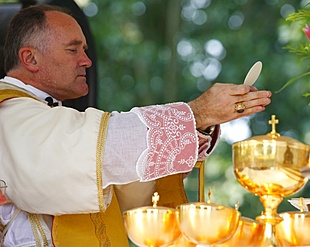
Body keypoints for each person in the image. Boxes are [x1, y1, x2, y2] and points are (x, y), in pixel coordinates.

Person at [0, 4, 271, 247]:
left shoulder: (47, 115)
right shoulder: (9, 112)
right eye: (73, 50)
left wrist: (195, 127)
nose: (87, 61)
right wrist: (196, 114)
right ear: (30, 58)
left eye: (84, 49)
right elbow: (98, 152)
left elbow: (119, 179)